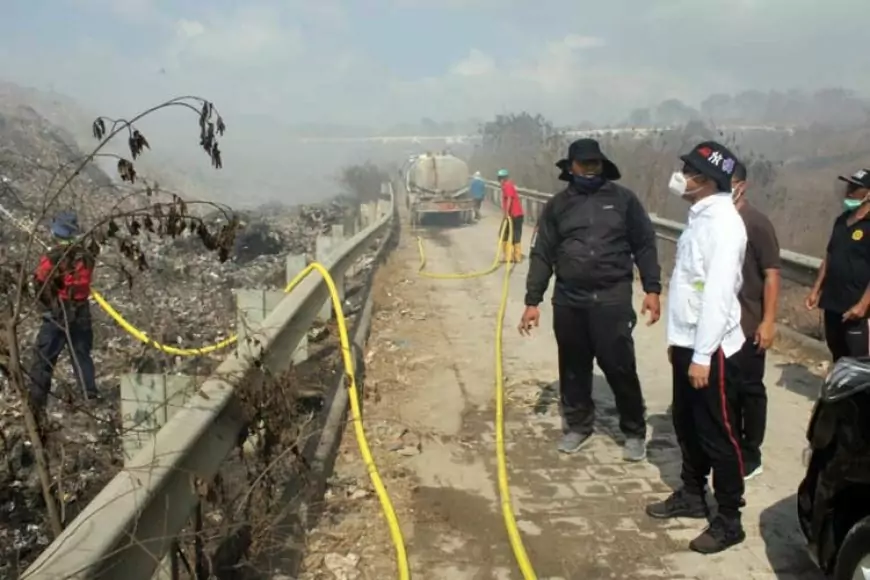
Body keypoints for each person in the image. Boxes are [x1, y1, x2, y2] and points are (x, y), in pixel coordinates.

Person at [518, 138, 661, 463]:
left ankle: (634, 430)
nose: (590, 169)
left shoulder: (624, 201)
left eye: (595, 163)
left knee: (619, 366)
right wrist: (532, 301)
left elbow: (644, 244)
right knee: (573, 367)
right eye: (584, 164)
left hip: (612, 299)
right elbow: (543, 254)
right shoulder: (557, 206)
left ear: (602, 165)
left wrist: (652, 288)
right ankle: (578, 426)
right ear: (571, 168)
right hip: (569, 300)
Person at [645, 141, 747, 554]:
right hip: (689, 342)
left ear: (706, 180)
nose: (681, 176)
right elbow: (687, 284)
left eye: (688, 170)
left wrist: (703, 354)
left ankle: (728, 518)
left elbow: (719, 297)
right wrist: (678, 343)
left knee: (717, 432)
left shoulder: (724, 225)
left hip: (713, 349)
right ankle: (691, 493)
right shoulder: (699, 217)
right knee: (686, 422)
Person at [731, 162, 781, 481]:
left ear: (743, 185)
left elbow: (772, 274)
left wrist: (768, 321)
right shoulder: (717, 221)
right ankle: (731, 446)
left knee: (749, 390)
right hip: (722, 325)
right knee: (727, 391)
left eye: (729, 182)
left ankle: (752, 453)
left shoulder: (756, 223)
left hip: (749, 323)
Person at [29, 210, 100, 412]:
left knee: (44, 358)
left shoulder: (52, 259)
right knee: (81, 355)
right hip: (81, 312)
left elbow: (40, 282)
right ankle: (90, 396)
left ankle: (37, 402)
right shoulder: (86, 257)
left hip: (58, 313)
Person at [806, 168, 870, 361]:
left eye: (855, 188)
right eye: (849, 186)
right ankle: (840, 389)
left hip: (856, 308)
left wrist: (862, 305)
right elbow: (830, 255)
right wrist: (816, 290)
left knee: (858, 360)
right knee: (837, 353)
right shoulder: (842, 221)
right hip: (833, 302)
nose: (849, 192)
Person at [497, 168, 523, 263]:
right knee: (514, 234)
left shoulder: (507, 186)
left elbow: (509, 199)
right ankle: (515, 256)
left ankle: (510, 256)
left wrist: (506, 213)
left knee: (504, 234)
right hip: (517, 214)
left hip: (513, 215)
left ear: (501, 179)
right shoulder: (509, 185)